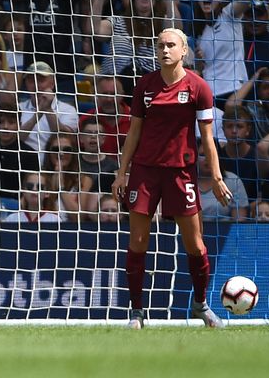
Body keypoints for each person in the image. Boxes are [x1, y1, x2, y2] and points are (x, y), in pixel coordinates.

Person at [110, 28, 232, 329]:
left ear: (184, 51)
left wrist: (216, 177)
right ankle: (137, 313)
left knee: (195, 244)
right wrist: (121, 172)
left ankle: (201, 304)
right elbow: (134, 131)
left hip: (181, 172)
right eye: (160, 45)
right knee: (138, 240)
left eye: (171, 45)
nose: (165, 50)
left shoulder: (198, 87)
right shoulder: (145, 86)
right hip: (145, 171)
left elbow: (207, 138)